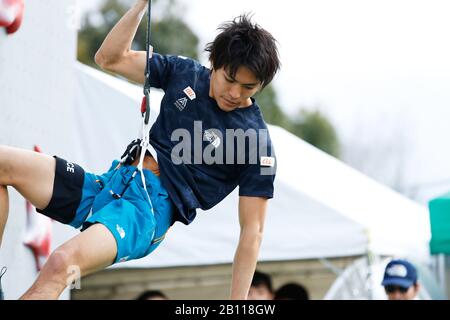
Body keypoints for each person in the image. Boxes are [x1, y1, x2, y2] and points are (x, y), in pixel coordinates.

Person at [0, 0, 280, 299]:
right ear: (215, 63)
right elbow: (109, 58)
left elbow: (252, 232)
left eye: (249, 88)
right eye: (231, 80)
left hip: (147, 213)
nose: (235, 93)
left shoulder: (256, 142)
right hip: (110, 184)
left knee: (61, 263)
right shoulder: (185, 73)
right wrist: (140, 6)